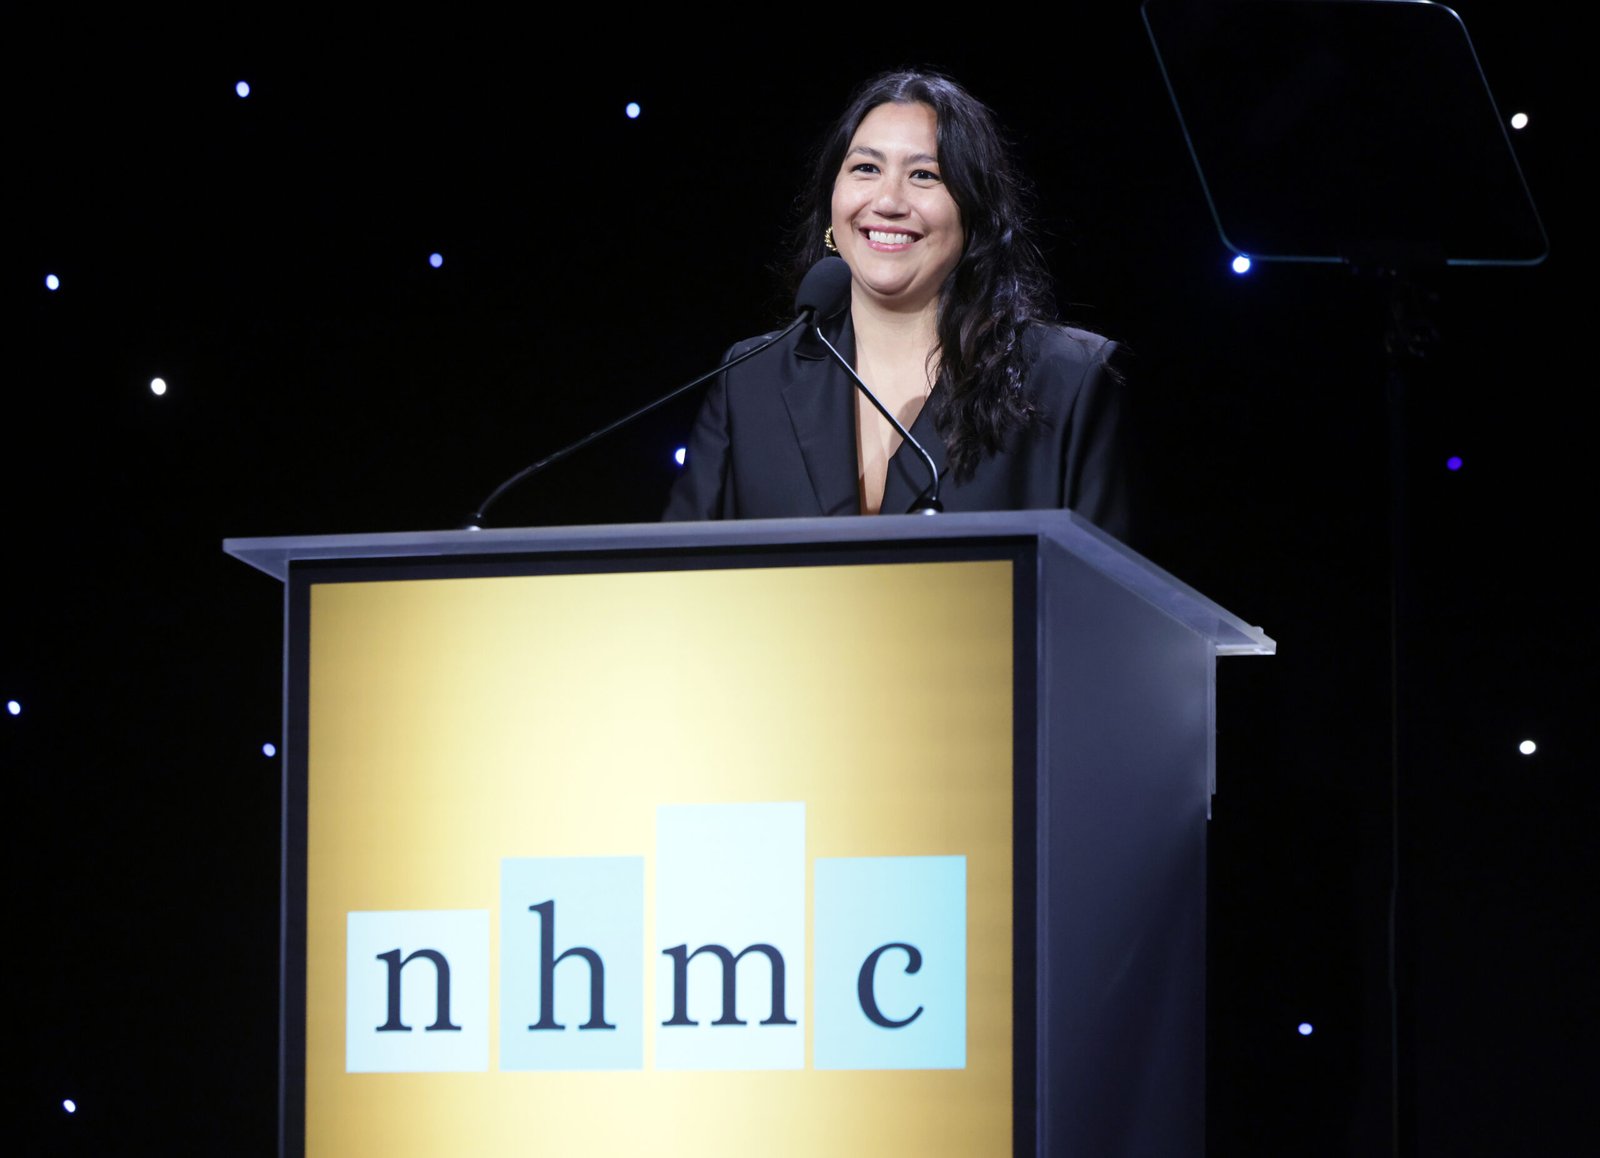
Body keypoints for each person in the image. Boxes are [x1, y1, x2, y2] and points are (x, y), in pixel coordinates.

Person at [663, 70, 1129, 541]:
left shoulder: (1066, 381)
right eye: (866, 168)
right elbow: (674, 572)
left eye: (924, 175)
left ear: (974, 210)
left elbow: (1101, 583)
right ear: (831, 199)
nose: (887, 201)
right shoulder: (750, 379)